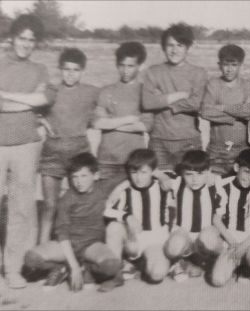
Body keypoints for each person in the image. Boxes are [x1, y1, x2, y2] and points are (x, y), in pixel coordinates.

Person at [0, 14, 52, 289]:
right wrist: (28, 104)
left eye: (32, 40)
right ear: (12, 38)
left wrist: (7, 96)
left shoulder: (40, 69)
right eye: (22, 38)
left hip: (27, 145)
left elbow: (44, 98)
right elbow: (31, 102)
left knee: (21, 209)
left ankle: (12, 269)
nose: (27, 44)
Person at [24, 153, 121, 292]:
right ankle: (62, 268)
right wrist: (73, 266)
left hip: (92, 245)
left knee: (111, 265)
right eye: (74, 176)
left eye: (84, 176)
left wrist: (121, 188)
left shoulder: (103, 188)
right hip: (67, 244)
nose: (79, 182)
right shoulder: (67, 198)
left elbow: (128, 173)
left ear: (96, 175)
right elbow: (62, 233)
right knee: (31, 259)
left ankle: (87, 269)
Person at [38, 48, 99, 244]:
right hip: (52, 153)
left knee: (77, 202)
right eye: (66, 69)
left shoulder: (91, 92)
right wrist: (42, 122)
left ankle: (76, 246)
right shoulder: (52, 91)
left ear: (82, 71)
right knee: (49, 204)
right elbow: (33, 111)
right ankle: (42, 248)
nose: (70, 74)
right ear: (60, 70)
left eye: (75, 70)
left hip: (78, 151)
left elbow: (101, 112)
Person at [142, 23, 207, 171]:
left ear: (188, 47)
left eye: (180, 45)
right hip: (158, 140)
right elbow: (147, 103)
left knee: (189, 185)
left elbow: (197, 103)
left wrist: (163, 101)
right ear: (164, 47)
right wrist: (178, 96)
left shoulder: (198, 73)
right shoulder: (153, 72)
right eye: (170, 45)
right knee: (158, 186)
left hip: (189, 140)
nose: (174, 50)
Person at [103, 149, 172, 286]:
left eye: (143, 173)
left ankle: (138, 264)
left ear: (153, 171)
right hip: (134, 240)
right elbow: (106, 210)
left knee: (157, 274)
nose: (138, 178)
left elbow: (179, 179)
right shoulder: (126, 190)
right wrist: (126, 216)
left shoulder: (162, 187)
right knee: (113, 227)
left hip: (155, 240)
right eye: (134, 173)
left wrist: (162, 176)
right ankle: (116, 273)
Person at [161, 150, 229, 282]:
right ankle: (181, 262)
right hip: (184, 234)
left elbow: (221, 213)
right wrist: (161, 176)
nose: (194, 179)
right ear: (182, 173)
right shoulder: (178, 183)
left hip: (206, 236)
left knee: (209, 238)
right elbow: (154, 172)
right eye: (189, 174)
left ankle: (211, 260)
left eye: (200, 174)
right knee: (174, 245)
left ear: (208, 171)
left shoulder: (215, 186)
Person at [94, 41, 153, 183]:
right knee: (106, 203)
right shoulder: (106, 91)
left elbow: (145, 126)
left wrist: (111, 122)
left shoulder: (145, 92)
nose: (125, 70)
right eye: (122, 65)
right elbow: (97, 123)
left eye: (130, 66)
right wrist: (129, 119)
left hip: (133, 161)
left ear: (140, 66)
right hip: (106, 160)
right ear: (116, 64)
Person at [208, 149, 250, 286]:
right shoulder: (223, 185)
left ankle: (246, 269)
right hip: (229, 240)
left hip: (248, 241)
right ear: (236, 168)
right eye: (247, 171)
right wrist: (232, 243)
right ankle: (228, 262)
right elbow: (216, 219)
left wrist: (242, 246)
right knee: (217, 280)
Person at [200, 44, 250, 176]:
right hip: (216, 151)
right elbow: (205, 111)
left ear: (240, 65)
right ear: (219, 64)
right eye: (226, 64)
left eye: (234, 65)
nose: (229, 69)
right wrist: (236, 116)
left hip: (241, 150)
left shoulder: (247, 85)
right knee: (214, 190)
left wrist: (224, 107)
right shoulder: (213, 84)